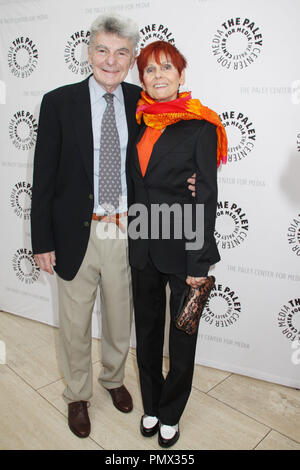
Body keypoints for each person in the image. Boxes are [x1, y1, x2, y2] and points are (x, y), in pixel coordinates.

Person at [31, 14, 142, 438]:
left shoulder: (141, 102)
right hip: (75, 231)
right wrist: (42, 239)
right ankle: (78, 394)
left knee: (119, 319)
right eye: (102, 50)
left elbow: (157, 163)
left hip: (124, 231)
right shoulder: (59, 102)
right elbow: (44, 177)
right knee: (75, 324)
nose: (110, 61)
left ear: (131, 60)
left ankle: (113, 379)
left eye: (121, 53)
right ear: (89, 52)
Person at [128, 40, 227, 448]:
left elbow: (205, 196)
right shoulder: (137, 121)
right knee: (148, 333)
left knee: (182, 337)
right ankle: (151, 404)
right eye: (150, 70)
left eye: (167, 68)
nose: (158, 76)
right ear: (143, 80)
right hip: (141, 243)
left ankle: (171, 412)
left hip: (185, 248)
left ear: (181, 75)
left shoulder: (201, 126)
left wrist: (199, 262)